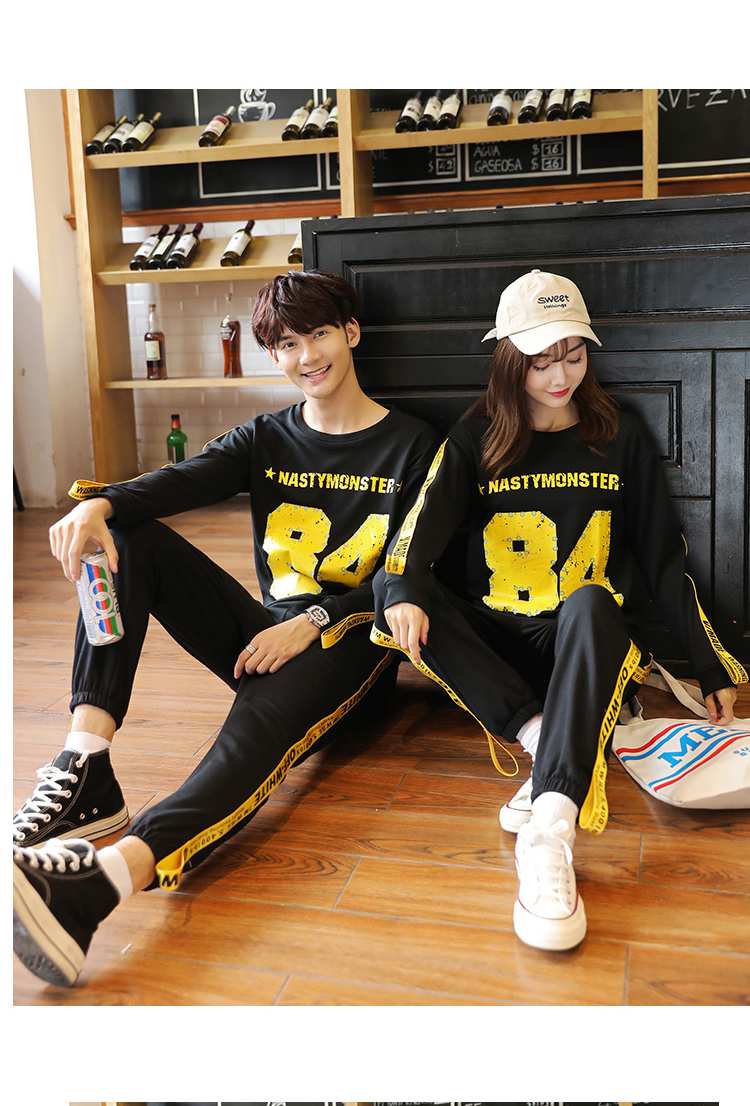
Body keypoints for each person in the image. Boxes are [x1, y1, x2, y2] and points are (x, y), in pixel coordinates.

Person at [12, 268, 439, 987]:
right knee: (130, 537)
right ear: (273, 354)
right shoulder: (267, 437)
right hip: (266, 637)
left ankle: (101, 884)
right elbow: (182, 480)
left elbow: (409, 574)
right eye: (288, 344)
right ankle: (86, 763)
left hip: (353, 645)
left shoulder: (415, 444)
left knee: (249, 733)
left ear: (352, 332)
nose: (307, 356)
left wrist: (313, 620)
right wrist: (98, 505)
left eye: (320, 334)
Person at [372, 269, 746, 952]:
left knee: (595, 600)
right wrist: (402, 593)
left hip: (584, 646)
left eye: (573, 355)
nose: (559, 375)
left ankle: (550, 827)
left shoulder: (619, 435)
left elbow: (664, 561)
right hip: (496, 653)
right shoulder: (474, 439)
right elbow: (409, 547)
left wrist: (711, 664)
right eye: (540, 360)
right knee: (395, 589)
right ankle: (543, 735)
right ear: (509, 359)